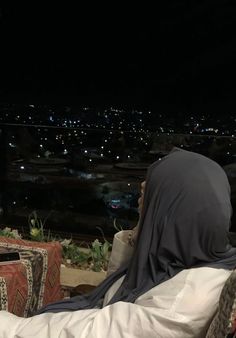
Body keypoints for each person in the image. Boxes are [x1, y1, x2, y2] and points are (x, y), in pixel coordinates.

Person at [0, 147, 236, 338]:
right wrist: (138, 236)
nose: (139, 205)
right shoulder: (185, 259)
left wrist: (7, 325)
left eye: (148, 197)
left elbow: (84, 332)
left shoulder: (179, 305)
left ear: (170, 214)